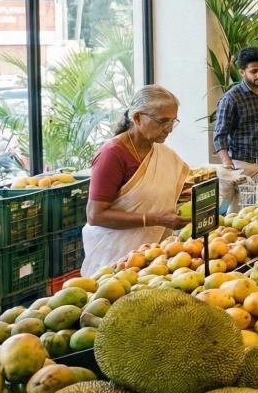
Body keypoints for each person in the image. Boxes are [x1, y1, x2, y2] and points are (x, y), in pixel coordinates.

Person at [82, 85, 191, 275]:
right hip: (114, 256)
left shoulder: (161, 152)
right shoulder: (112, 155)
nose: (169, 129)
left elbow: (157, 189)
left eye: (173, 121)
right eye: (163, 121)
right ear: (137, 118)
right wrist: (156, 219)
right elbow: (95, 215)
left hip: (151, 255)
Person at [213, 47, 258, 213]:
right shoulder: (231, 98)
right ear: (242, 71)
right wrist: (228, 165)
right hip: (243, 165)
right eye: (254, 71)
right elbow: (219, 135)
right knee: (241, 215)